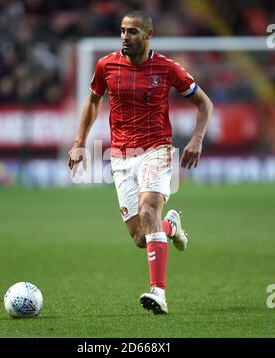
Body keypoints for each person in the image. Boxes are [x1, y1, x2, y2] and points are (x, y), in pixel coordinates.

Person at [68, 11, 213, 315]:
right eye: (122, 31)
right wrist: (80, 143)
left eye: (132, 32)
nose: (125, 37)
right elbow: (93, 100)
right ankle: (170, 226)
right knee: (139, 236)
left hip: (157, 150)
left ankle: (158, 292)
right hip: (120, 156)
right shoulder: (106, 65)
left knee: (148, 210)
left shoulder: (167, 68)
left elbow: (204, 103)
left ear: (148, 35)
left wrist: (196, 139)